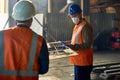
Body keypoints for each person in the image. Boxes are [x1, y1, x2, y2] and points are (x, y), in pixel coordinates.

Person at [0, 0, 49, 80]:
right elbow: (44, 69)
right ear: (31, 20)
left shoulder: (1, 35)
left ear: (15, 19)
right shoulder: (39, 40)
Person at [64, 4, 94, 80]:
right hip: (78, 60)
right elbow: (76, 40)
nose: (72, 17)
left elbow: (87, 44)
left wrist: (71, 46)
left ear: (80, 14)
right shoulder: (77, 25)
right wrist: (68, 43)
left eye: (74, 15)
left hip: (84, 61)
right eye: (71, 16)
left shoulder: (85, 27)